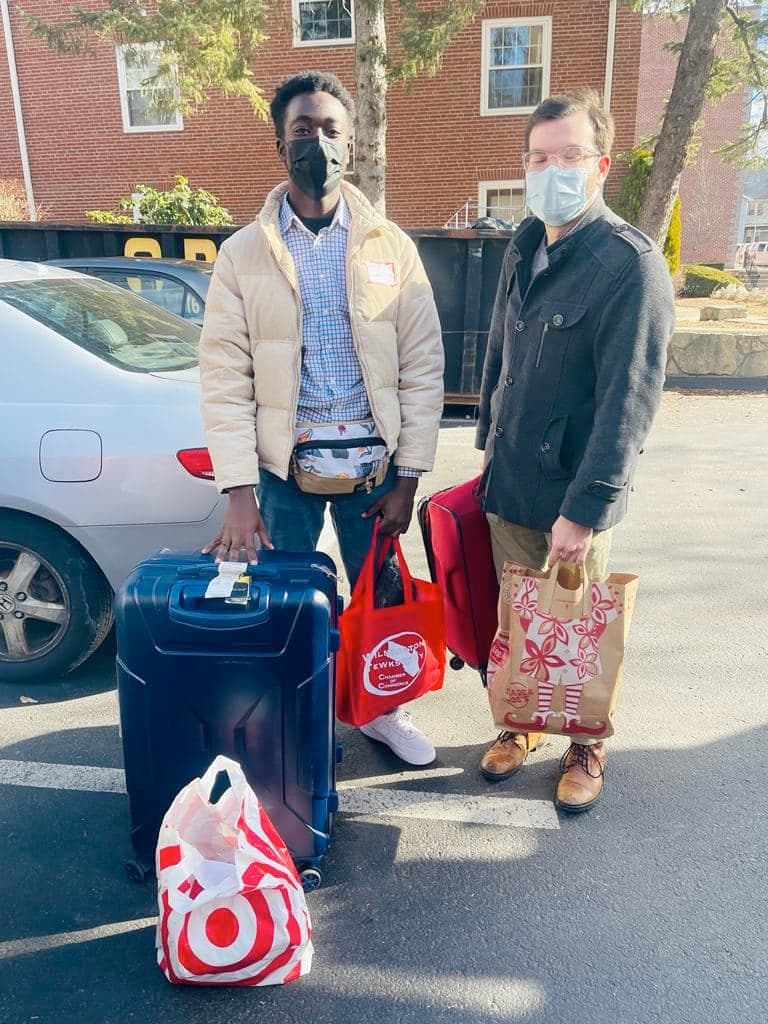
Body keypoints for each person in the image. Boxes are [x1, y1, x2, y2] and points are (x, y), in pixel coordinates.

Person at [199, 71, 445, 766]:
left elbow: (423, 365)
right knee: (289, 607)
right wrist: (239, 493)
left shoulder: (389, 246)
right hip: (285, 472)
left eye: (332, 130)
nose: (319, 144)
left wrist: (410, 476)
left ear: (350, 143)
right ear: (281, 144)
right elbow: (223, 378)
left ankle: (380, 712)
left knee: (383, 602)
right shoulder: (243, 254)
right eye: (303, 130)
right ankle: (301, 720)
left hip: (375, 471)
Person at [476, 87, 676, 812]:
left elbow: (630, 402)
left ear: (600, 164)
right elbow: (501, 354)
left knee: (579, 628)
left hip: (571, 496)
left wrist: (586, 512)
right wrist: (485, 451)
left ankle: (587, 743)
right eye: (538, 157)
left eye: (568, 155)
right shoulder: (523, 246)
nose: (550, 170)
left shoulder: (629, 265)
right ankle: (522, 724)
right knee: (519, 621)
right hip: (510, 484)